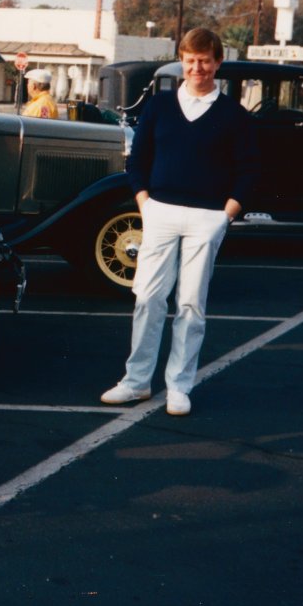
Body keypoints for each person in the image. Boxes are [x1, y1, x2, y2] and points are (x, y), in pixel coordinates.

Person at [99, 28, 258, 416]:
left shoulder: (234, 116)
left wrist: (224, 218)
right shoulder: (160, 106)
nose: (197, 68)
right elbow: (138, 161)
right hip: (160, 213)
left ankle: (179, 386)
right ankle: (136, 382)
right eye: (190, 60)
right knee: (149, 299)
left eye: (205, 60)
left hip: (207, 218)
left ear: (217, 63)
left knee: (190, 304)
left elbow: (249, 172)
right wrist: (145, 204)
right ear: (181, 62)